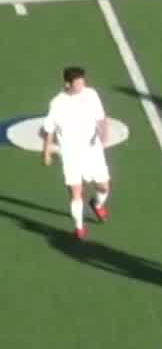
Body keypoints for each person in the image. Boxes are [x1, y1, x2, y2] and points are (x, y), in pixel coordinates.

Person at [39, 66, 110, 241]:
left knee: (104, 186)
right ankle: (79, 227)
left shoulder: (91, 94)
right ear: (67, 84)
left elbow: (101, 118)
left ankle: (96, 204)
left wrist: (104, 136)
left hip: (92, 149)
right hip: (71, 153)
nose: (81, 86)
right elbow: (49, 130)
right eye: (78, 83)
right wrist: (46, 152)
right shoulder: (57, 103)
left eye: (82, 82)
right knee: (76, 192)